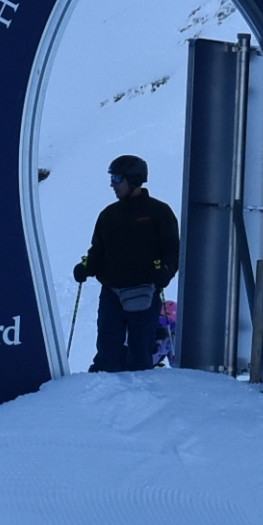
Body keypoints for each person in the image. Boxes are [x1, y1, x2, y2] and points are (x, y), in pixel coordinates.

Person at [73, 154, 179, 373]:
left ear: (134, 180)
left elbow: (172, 250)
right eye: (112, 179)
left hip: (145, 292)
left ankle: (138, 393)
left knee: (140, 353)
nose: (112, 184)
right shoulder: (109, 215)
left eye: (117, 179)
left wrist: (166, 271)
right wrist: (86, 267)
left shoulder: (158, 213)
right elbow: (98, 250)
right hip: (112, 293)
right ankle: (102, 391)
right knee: (108, 351)